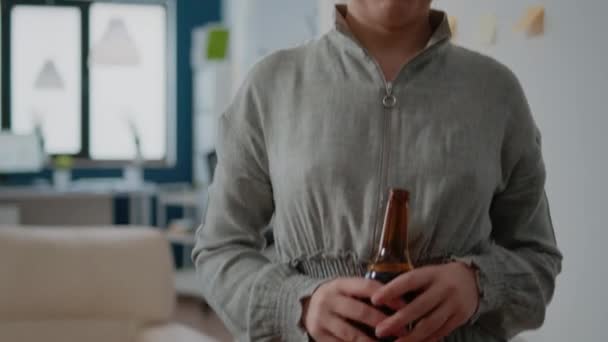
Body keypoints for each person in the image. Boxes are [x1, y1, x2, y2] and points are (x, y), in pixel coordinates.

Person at [192, 0, 562, 341]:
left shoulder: (497, 93)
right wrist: (299, 304)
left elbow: (538, 258)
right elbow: (220, 249)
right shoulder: (270, 86)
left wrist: (479, 285)